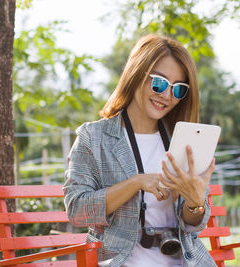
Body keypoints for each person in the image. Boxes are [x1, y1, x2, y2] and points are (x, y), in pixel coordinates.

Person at [63, 34, 216, 267]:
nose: (166, 95)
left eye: (178, 90)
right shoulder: (93, 137)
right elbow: (77, 210)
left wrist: (196, 203)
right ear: (136, 73)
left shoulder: (182, 139)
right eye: (159, 83)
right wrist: (136, 183)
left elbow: (194, 223)